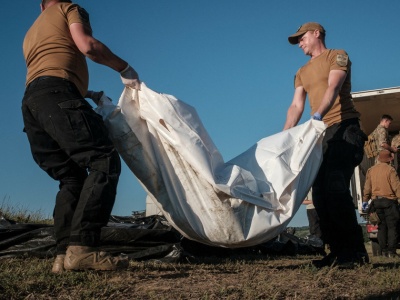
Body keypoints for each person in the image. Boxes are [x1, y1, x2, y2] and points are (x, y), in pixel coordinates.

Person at [22, 0, 140, 273]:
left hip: (32, 104)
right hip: (57, 94)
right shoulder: (68, 8)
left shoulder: (32, 32)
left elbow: (46, 72)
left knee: (71, 176)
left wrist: (85, 93)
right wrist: (125, 69)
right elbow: (87, 46)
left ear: (41, 6)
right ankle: (83, 248)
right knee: (103, 159)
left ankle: (62, 256)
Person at [284, 22, 368, 268]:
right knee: (319, 194)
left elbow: (334, 86)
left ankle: (355, 253)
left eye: (301, 38)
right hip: (319, 135)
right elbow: (296, 106)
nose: (299, 43)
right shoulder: (301, 71)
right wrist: (284, 137)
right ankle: (337, 252)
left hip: (344, 127)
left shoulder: (337, 55)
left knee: (334, 186)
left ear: (316, 33)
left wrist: (318, 116)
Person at [362, 150, 400, 258]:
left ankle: (383, 251)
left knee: (381, 227)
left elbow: (367, 188)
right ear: (389, 159)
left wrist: (365, 201)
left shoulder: (371, 170)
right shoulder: (390, 170)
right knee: (392, 227)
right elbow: (396, 187)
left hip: (376, 203)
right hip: (389, 202)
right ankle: (391, 252)